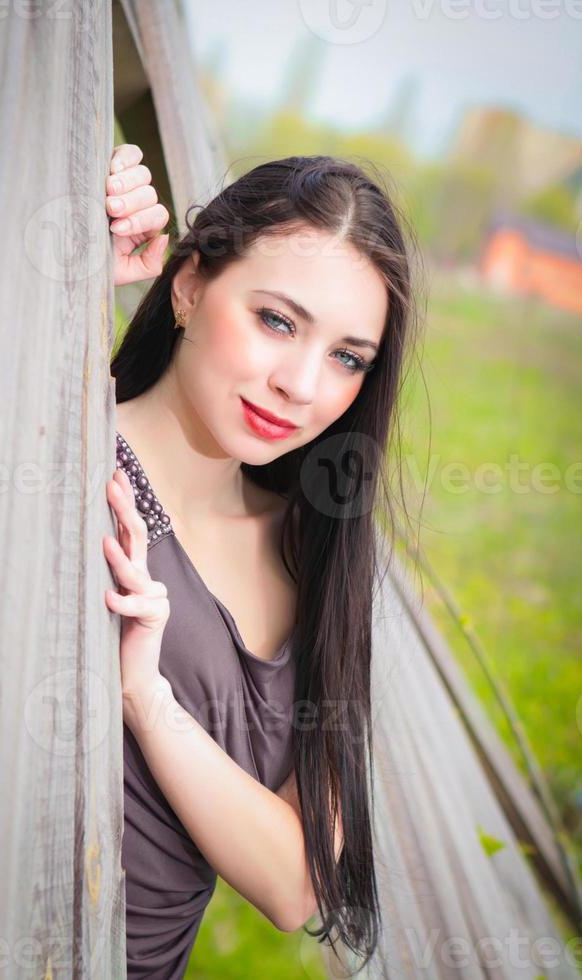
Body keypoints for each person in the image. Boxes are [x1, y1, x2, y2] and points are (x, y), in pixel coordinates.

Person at [102, 144, 420, 978]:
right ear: (189, 284)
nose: (303, 385)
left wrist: (148, 698)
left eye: (348, 356)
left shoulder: (312, 550)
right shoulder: (58, 460)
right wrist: (55, 299)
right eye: (278, 320)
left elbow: (298, 884)